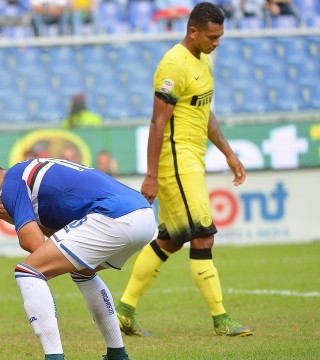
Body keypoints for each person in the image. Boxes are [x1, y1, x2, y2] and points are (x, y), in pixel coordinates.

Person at [115, 2, 253, 339]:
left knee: (171, 239)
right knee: (203, 233)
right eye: (212, 37)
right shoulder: (173, 65)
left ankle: (124, 311)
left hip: (193, 159)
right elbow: (157, 122)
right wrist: (150, 174)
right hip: (175, 161)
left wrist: (230, 154)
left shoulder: (203, 61)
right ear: (193, 31)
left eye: (219, 37)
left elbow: (205, 113)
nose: (216, 42)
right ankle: (221, 319)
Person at [0, 159, 157, 360]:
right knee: (83, 272)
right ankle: (117, 354)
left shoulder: (10, 183)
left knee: (28, 272)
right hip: (143, 216)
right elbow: (58, 241)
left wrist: (12, 216)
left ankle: (54, 357)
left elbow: (35, 245)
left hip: (114, 216)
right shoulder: (27, 175)